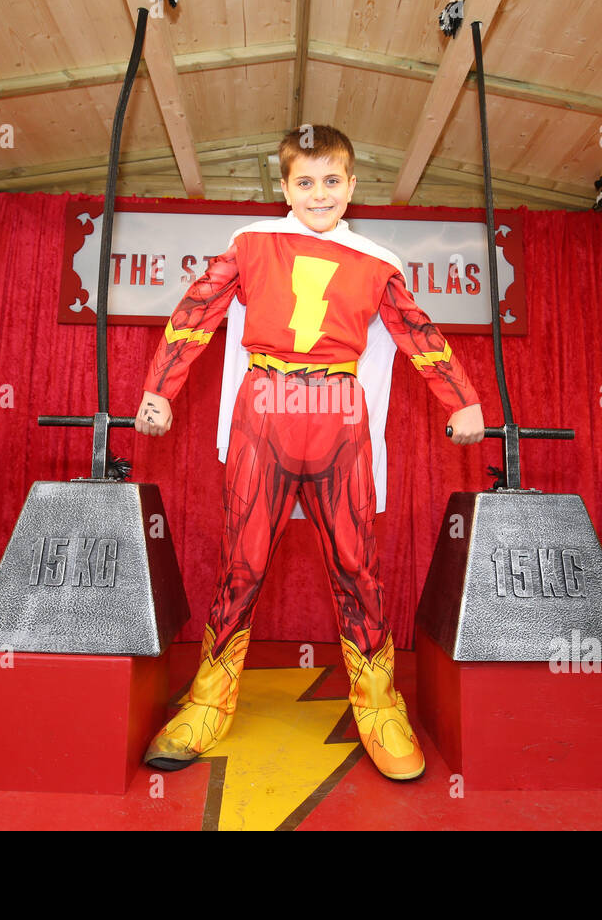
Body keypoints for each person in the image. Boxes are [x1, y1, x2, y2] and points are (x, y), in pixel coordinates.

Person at [134, 125, 484, 780]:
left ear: (352, 186)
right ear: (284, 185)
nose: (318, 193)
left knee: (357, 563)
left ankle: (378, 705)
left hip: (339, 413)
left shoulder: (376, 262)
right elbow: (195, 313)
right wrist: (161, 389)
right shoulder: (251, 242)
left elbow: (417, 332)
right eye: (304, 181)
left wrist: (460, 398)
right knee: (242, 558)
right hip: (263, 407)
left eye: (331, 181)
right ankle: (207, 702)